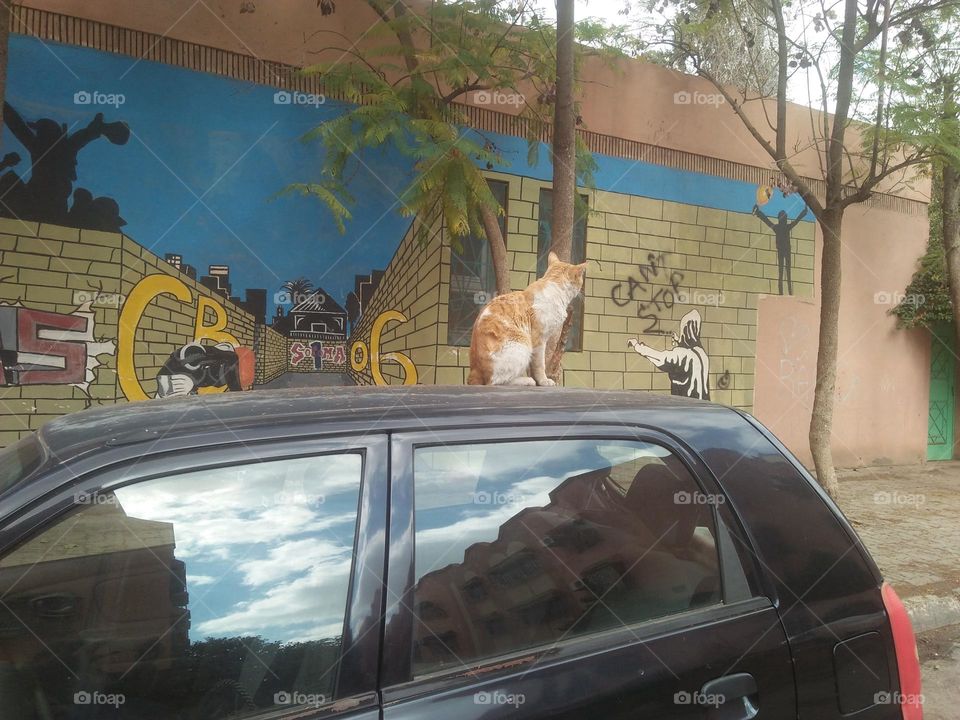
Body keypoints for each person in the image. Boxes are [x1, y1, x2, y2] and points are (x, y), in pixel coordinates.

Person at [753, 203, 808, 295]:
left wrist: (758, 212)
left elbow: (766, 220)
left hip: (781, 251)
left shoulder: (777, 228)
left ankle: (781, 294)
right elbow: (797, 220)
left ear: (779, 219)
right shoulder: (787, 227)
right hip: (787, 251)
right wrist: (804, 211)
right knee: (788, 273)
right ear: (785, 219)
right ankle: (790, 293)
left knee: (781, 273)